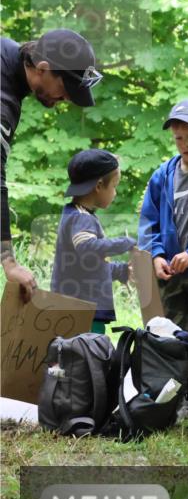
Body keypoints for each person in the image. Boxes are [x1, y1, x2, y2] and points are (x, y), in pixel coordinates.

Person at [1, 29, 101, 302]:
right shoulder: (3, 102)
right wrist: (9, 262)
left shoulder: (7, 53)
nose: (66, 99)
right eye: (66, 90)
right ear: (43, 69)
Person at [51, 149, 135, 334]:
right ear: (98, 186)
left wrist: (121, 271)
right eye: (114, 186)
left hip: (81, 309)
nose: (115, 192)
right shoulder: (81, 218)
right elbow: (87, 248)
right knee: (88, 358)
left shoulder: (77, 215)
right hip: (82, 312)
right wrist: (125, 243)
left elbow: (89, 265)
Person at [139, 99, 188, 332]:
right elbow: (148, 220)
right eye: (179, 139)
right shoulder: (163, 175)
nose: (185, 145)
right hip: (171, 273)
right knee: (172, 336)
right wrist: (156, 255)